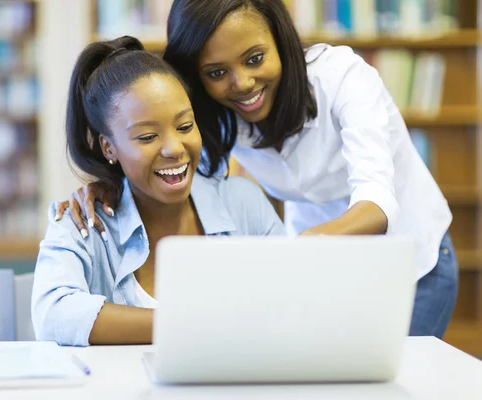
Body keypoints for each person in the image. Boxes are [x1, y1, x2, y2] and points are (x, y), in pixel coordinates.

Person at [57, 0, 458, 339]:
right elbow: (181, 175)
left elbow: (377, 205)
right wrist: (109, 183)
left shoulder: (342, 78)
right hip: (325, 276)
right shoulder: (218, 116)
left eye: (254, 59)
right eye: (216, 72)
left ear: (279, 40)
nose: (242, 83)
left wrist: (288, 255)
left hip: (412, 264)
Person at [32, 36, 285, 346]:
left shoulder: (243, 203)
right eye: (148, 136)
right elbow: (52, 315)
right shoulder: (79, 221)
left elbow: (291, 301)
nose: (174, 149)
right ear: (109, 147)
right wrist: (187, 325)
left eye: (184, 126)